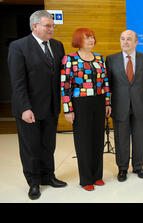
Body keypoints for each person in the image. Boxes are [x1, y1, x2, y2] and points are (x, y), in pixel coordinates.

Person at [8, 10, 67, 200]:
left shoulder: (58, 46)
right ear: (35, 26)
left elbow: (61, 78)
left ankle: (48, 176)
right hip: (29, 109)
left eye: (53, 26)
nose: (52, 29)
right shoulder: (19, 47)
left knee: (48, 145)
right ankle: (33, 182)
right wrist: (25, 107)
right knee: (31, 147)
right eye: (48, 26)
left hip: (51, 107)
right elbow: (18, 82)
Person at [61, 28, 111, 191]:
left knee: (98, 139)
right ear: (78, 40)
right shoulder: (70, 59)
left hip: (99, 101)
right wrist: (68, 109)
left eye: (92, 38)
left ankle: (97, 176)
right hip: (80, 103)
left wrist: (108, 103)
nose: (91, 40)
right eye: (87, 38)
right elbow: (65, 85)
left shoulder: (99, 58)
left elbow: (105, 83)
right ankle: (86, 179)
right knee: (83, 141)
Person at [106, 30, 143, 182]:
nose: (125, 42)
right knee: (121, 139)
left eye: (129, 39)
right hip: (120, 105)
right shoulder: (111, 59)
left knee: (139, 138)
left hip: (140, 104)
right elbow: (109, 83)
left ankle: (138, 167)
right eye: (122, 39)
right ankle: (122, 168)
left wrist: (136, 93)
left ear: (136, 42)